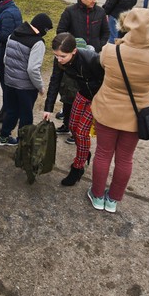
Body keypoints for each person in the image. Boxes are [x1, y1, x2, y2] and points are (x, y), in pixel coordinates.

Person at [88, 8, 149, 213]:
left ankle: (97, 195)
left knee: (103, 154)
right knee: (125, 158)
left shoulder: (110, 51)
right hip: (136, 117)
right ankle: (113, 200)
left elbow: (101, 64)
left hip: (107, 111)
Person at [43, 33, 104, 186]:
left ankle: (78, 168)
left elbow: (106, 81)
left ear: (74, 51)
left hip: (97, 98)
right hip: (82, 93)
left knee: (82, 132)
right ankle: (84, 151)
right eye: (56, 55)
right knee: (72, 125)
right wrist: (48, 108)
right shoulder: (59, 61)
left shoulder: (92, 59)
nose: (59, 59)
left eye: (63, 56)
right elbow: (55, 81)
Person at [56, 0, 109, 140]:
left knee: (86, 95)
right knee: (69, 94)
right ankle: (67, 123)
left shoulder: (100, 12)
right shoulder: (70, 11)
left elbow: (106, 32)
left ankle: (79, 131)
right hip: (73, 60)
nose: (94, 1)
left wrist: (97, 47)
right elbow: (61, 31)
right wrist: (71, 48)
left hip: (92, 61)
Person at [0, 13, 52, 146]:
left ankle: (3, 137)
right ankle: (23, 144)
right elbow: (32, 69)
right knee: (26, 116)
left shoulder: (13, 34)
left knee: (11, 111)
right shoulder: (38, 43)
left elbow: (6, 59)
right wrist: (40, 86)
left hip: (10, 83)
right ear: (42, 28)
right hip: (26, 88)